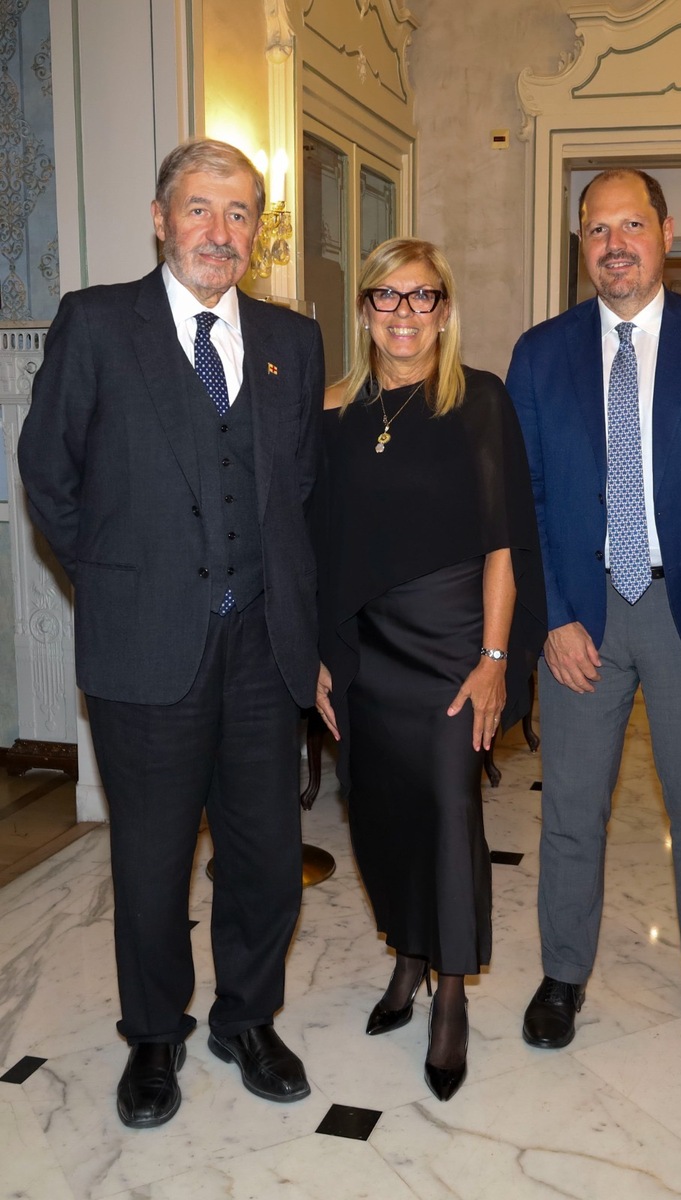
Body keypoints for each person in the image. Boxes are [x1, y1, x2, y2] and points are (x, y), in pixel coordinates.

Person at [18, 138, 324, 1127]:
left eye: (239, 214)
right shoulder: (98, 323)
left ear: (256, 232)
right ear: (160, 219)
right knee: (151, 861)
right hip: (144, 645)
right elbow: (48, 473)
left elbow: (299, 488)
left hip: (262, 647)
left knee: (265, 854)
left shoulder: (291, 339)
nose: (219, 231)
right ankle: (154, 1035)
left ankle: (248, 1018)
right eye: (199, 208)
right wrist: (115, 579)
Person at [506, 168, 681, 1065]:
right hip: (582, 616)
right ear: (580, 244)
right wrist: (551, 617)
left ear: (667, 233)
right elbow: (525, 500)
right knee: (570, 808)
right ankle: (562, 974)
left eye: (631, 225)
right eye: (597, 229)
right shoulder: (540, 353)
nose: (614, 244)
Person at [314, 237, 546, 1101]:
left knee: (449, 813)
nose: (405, 313)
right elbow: (317, 542)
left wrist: (494, 660)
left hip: (453, 642)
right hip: (364, 645)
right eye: (388, 295)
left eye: (423, 297)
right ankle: (407, 957)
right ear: (365, 308)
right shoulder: (331, 408)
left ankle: (450, 991)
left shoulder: (479, 400)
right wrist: (322, 655)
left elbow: (503, 542)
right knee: (377, 812)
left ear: (445, 311)